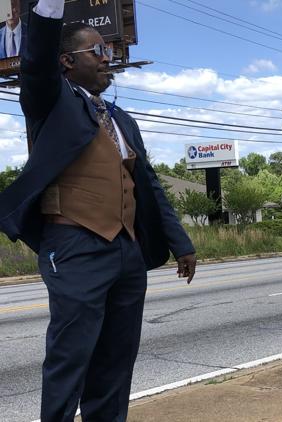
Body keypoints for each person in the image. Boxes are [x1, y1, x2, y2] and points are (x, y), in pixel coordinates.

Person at [0, 0, 198, 420]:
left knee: (115, 361)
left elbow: (149, 186)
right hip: (74, 245)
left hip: (127, 251)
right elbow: (35, 62)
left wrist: (180, 243)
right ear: (68, 61)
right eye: (99, 52)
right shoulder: (51, 102)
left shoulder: (122, 120)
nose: (109, 60)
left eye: (110, 52)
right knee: (70, 357)